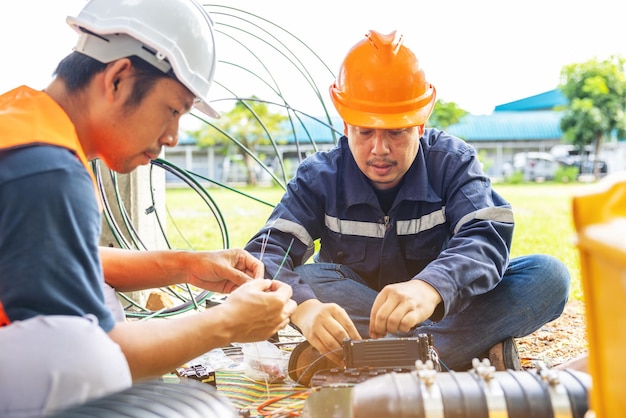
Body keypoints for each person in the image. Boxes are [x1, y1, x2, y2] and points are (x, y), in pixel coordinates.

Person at [0, 0, 296, 416]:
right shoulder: (46, 169)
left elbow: (62, 257)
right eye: (173, 110)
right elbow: (98, 355)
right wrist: (226, 323)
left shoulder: (23, 123)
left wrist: (187, 265)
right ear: (118, 78)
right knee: (84, 353)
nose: (174, 136)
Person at [245, 30, 570, 373]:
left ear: (420, 125)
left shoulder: (452, 162)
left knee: (548, 276)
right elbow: (264, 254)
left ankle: (369, 360)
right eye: (365, 131)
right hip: (357, 305)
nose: (380, 149)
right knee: (308, 282)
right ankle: (450, 352)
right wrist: (303, 307)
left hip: (443, 306)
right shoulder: (319, 177)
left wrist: (430, 287)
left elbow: (486, 237)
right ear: (345, 125)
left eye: (396, 132)